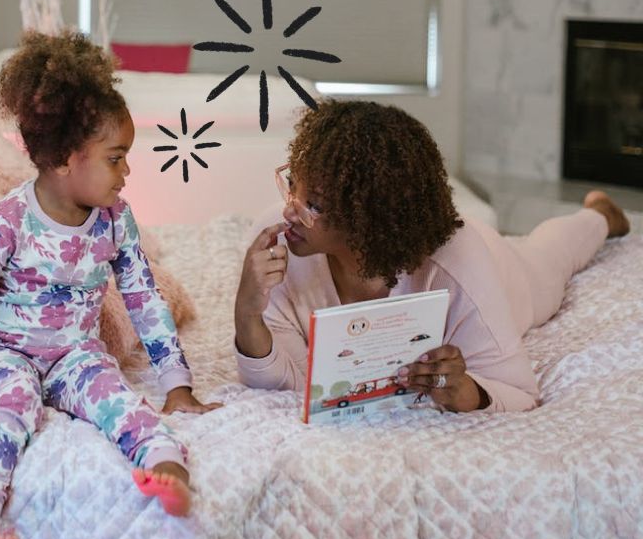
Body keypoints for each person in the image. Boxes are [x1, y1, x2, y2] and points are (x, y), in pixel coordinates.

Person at [0, 31, 220, 539]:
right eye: (115, 157)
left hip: (77, 355)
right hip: (7, 353)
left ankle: (167, 470)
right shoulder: (6, 221)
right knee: (6, 412)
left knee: (121, 403)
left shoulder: (115, 220)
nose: (128, 170)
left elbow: (143, 297)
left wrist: (176, 383)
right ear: (66, 158)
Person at [234, 100, 630, 414]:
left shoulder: (458, 266)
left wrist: (467, 392)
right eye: (292, 186)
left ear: (367, 216)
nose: (289, 209)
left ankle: (599, 215)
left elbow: (520, 391)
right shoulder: (279, 244)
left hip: (500, 269)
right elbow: (288, 382)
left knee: (549, 258)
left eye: (314, 204)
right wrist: (247, 314)